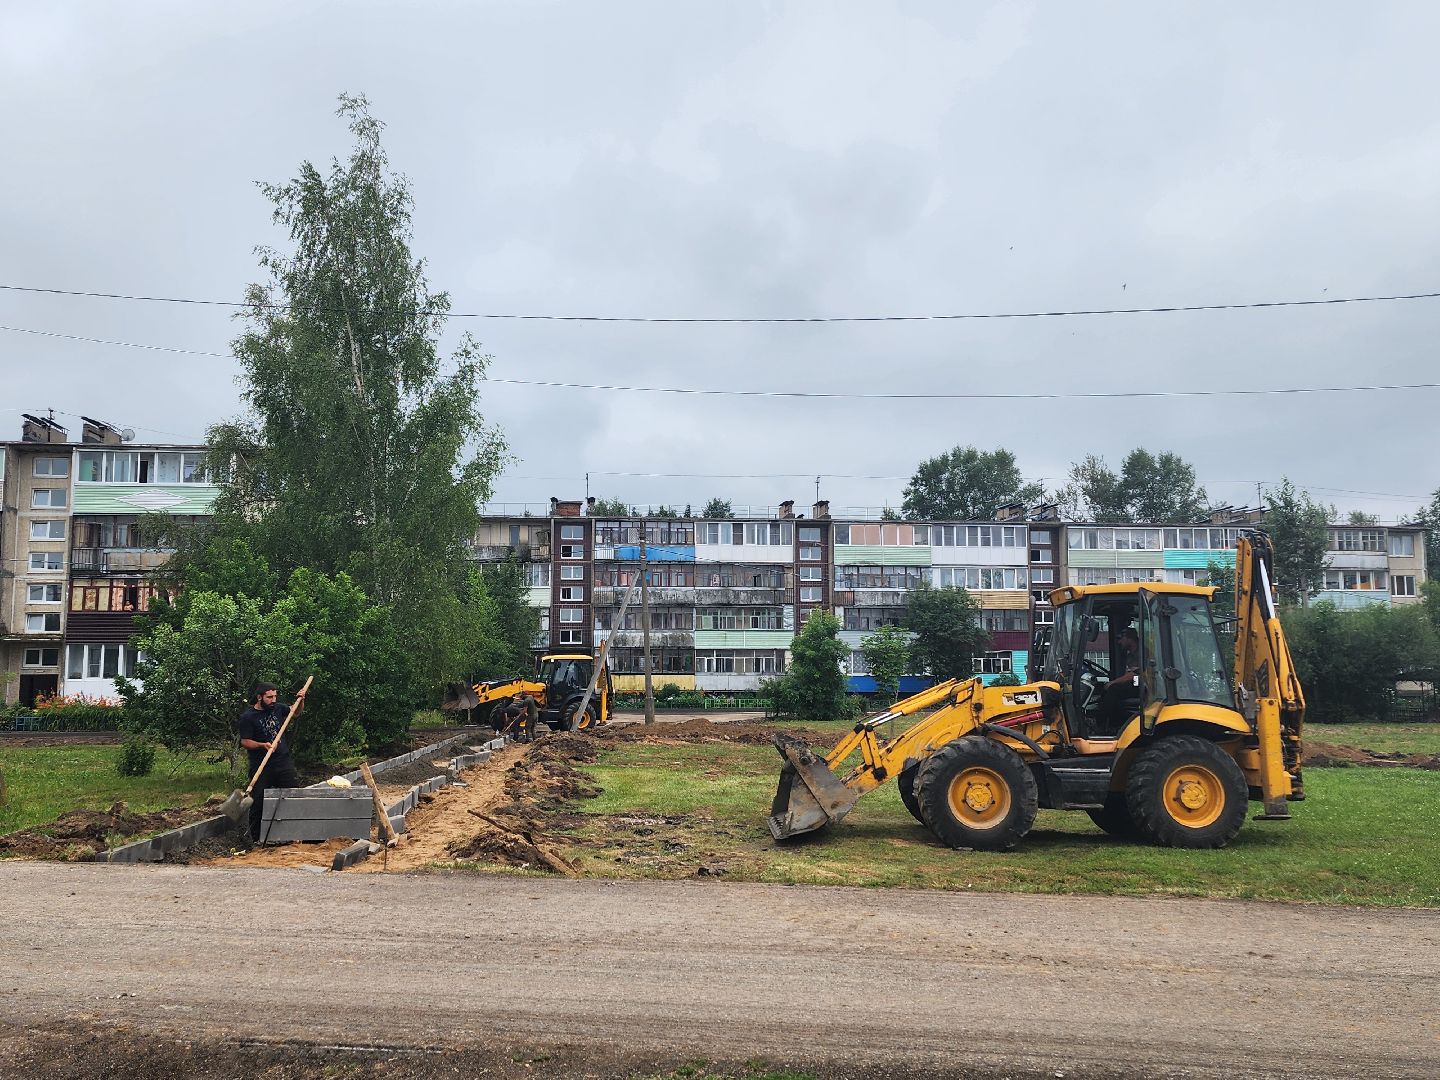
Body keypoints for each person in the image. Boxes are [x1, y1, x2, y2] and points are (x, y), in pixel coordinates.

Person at [237, 683, 301, 843]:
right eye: (269, 697)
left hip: (282, 762)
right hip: (261, 765)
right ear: (259, 697)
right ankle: (257, 839)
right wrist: (261, 745)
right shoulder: (248, 717)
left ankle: (294, 835)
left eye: (275, 696)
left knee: (293, 796)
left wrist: (301, 700)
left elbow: (295, 712)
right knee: (258, 800)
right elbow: (245, 741)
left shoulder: (278, 708)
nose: (273, 700)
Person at [1096, 628, 1141, 734]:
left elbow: (1135, 674)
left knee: (1113, 689)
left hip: (1141, 684)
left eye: (1121, 639)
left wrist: (1113, 682)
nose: (1119, 642)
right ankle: (1111, 723)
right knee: (1107, 690)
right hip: (1135, 681)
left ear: (1129, 639)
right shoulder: (1130, 654)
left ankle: (1102, 724)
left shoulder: (1141, 652)